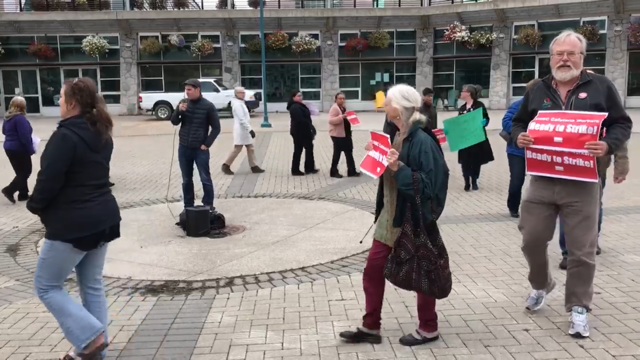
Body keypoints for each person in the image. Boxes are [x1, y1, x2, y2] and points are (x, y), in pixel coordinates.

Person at [511, 30, 632, 338]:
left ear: (582, 57)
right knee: (531, 240)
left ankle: (579, 308)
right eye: (558, 54)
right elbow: (518, 121)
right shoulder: (537, 89)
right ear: (551, 57)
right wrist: (518, 136)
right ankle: (542, 285)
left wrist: (608, 146)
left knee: (581, 250)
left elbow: (622, 123)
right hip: (542, 180)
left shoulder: (601, 87)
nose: (564, 58)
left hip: (583, 181)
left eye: (571, 53)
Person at [339, 84, 450, 347]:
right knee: (373, 270)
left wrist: (397, 167)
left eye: (387, 102)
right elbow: (391, 167)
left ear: (399, 108)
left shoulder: (422, 140)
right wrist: (378, 154)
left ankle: (428, 328)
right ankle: (370, 327)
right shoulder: (399, 134)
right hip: (390, 218)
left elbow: (428, 185)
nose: (383, 106)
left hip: (411, 219)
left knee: (422, 270)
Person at [27, 78, 120, 360]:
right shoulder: (102, 132)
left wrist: (35, 205)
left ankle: (91, 338)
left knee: (46, 285)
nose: (58, 102)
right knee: (91, 285)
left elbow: (49, 180)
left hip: (74, 224)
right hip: (103, 217)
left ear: (72, 102)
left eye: (61, 97)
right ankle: (94, 351)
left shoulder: (65, 136)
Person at [558, 142, 629, 269]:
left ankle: (591, 241)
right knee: (566, 206)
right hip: (567, 165)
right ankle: (568, 252)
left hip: (596, 167)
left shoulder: (606, 121)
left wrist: (621, 167)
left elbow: (619, 137)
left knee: (594, 205)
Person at [171, 79, 220, 210]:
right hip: (184, 148)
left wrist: (207, 144)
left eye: (189, 90)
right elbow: (174, 122)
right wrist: (178, 111)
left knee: (205, 178)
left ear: (197, 89)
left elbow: (216, 128)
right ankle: (188, 206)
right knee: (186, 179)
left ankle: (208, 205)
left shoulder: (208, 106)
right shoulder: (183, 103)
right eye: (186, 89)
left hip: (200, 149)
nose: (187, 92)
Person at [502, 79, 541, 218]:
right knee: (517, 180)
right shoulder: (518, 105)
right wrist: (519, 134)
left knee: (541, 182)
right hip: (517, 151)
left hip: (538, 151)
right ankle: (513, 207)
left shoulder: (545, 105)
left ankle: (540, 209)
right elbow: (506, 121)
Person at [457, 84, 494, 191]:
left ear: (468, 93)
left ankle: (474, 181)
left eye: (463, 91)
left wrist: (484, 122)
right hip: (465, 139)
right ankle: (466, 182)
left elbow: (486, 118)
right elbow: (458, 123)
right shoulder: (462, 108)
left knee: (475, 161)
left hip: (476, 139)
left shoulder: (479, 106)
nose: (461, 93)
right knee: (465, 161)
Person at [221, 87, 264, 175]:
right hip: (241, 130)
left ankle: (254, 166)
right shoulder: (237, 105)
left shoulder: (241, 102)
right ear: (236, 94)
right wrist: (250, 129)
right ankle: (226, 165)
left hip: (245, 130)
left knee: (250, 148)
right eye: (241, 93)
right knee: (237, 149)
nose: (243, 94)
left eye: (243, 92)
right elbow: (241, 119)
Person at [2, 96, 35, 204]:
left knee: (20, 171)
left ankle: (23, 194)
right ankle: (9, 190)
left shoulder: (7, 117)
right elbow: (25, 137)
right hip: (19, 148)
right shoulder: (20, 119)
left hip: (8, 148)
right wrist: (31, 149)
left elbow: (4, 132)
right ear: (22, 106)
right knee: (26, 171)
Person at [328, 92, 359, 178]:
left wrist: (351, 116)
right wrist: (341, 117)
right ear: (336, 99)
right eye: (340, 99)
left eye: (343, 99)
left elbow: (345, 117)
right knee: (337, 153)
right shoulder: (334, 108)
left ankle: (351, 171)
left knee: (349, 151)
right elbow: (331, 120)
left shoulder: (342, 107)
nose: (342, 100)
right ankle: (333, 171)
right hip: (337, 135)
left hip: (346, 134)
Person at [287, 91, 317, 176]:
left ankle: (309, 167)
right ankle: (295, 170)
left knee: (309, 148)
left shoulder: (300, 105)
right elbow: (300, 120)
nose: (300, 97)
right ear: (293, 97)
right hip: (299, 132)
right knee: (298, 150)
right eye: (298, 96)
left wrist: (311, 127)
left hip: (304, 130)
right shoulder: (295, 107)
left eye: (301, 96)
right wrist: (309, 127)